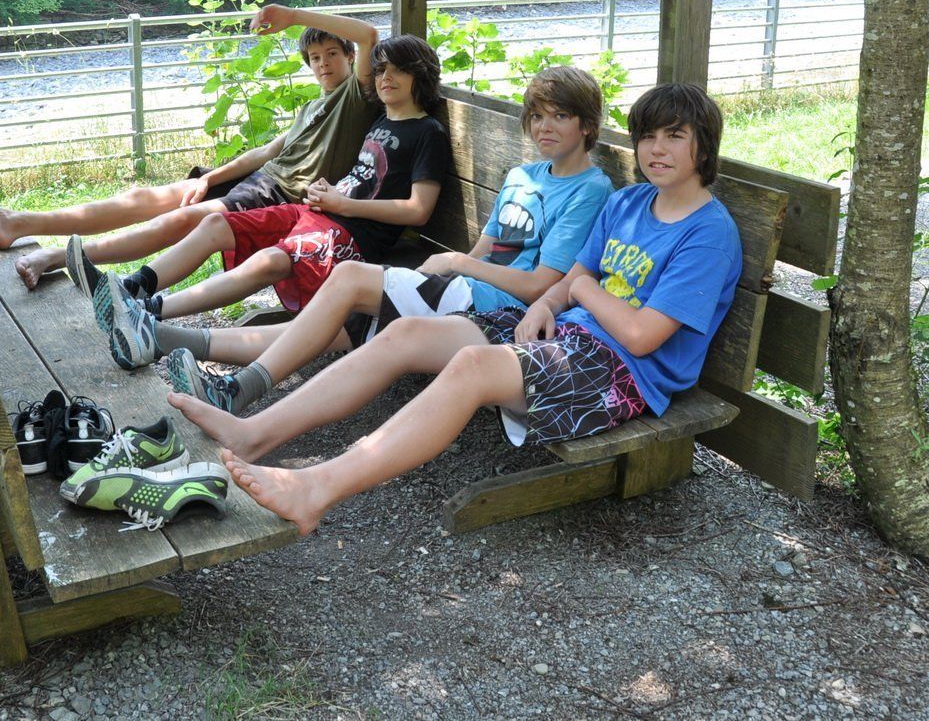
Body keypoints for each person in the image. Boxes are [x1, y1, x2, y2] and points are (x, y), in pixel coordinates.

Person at [170, 82, 743, 535]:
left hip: (623, 373)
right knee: (409, 333)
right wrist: (548, 302)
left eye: (675, 137)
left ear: (704, 146)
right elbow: (570, 280)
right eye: (648, 137)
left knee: (471, 366)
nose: (656, 150)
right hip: (567, 337)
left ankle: (316, 488)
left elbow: (640, 335)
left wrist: (581, 292)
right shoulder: (631, 202)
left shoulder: (708, 234)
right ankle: (253, 434)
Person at [117, 66, 616, 415]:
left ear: (588, 126)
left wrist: (454, 263)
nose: (544, 127)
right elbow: (486, 249)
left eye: (560, 117)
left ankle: (236, 387)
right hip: (466, 290)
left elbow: (539, 285)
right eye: (537, 116)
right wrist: (453, 266)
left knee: (351, 279)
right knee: (345, 325)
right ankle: (166, 339)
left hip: (501, 311)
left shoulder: (589, 190)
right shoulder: (522, 176)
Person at [72, 34, 452, 364]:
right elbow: (365, 179)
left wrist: (343, 204)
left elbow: (418, 210)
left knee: (272, 260)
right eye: (380, 70)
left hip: (354, 236)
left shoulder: (427, 132)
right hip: (320, 211)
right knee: (216, 223)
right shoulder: (380, 121)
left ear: (420, 75)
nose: (385, 78)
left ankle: (148, 312)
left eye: (397, 71)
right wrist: (329, 192)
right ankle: (134, 286)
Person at [0, 4, 379, 289]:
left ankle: (59, 257)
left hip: (280, 196)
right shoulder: (312, 106)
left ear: (349, 57)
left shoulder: (356, 97)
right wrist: (209, 178)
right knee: (147, 197)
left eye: (332, 54)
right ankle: (16, 223)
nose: (323, 63)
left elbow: (368, 33)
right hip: (261, 179)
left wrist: (293, 17)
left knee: (183, 219)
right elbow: (266, 153)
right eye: (315, 57)